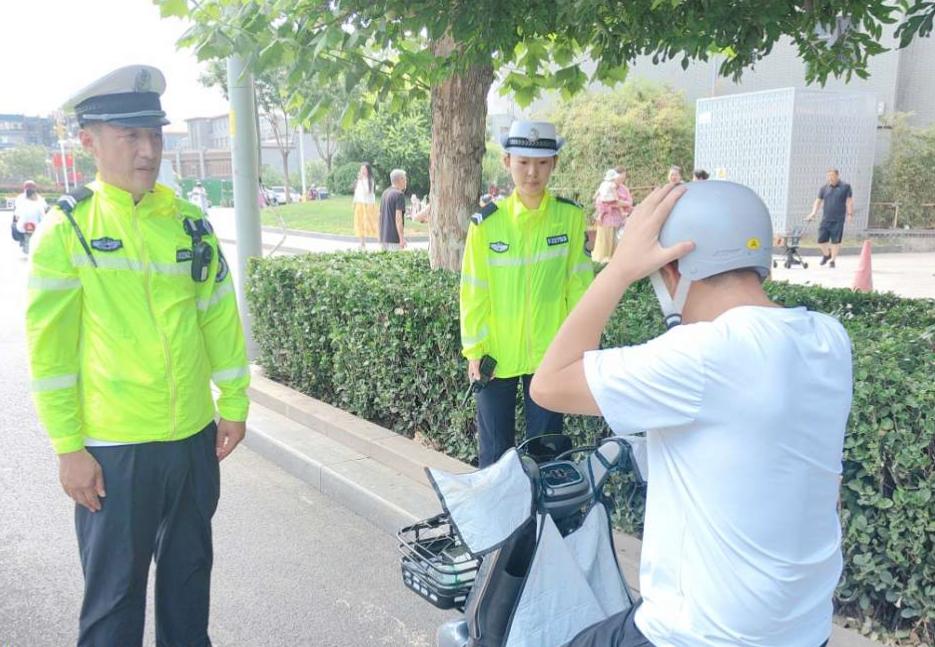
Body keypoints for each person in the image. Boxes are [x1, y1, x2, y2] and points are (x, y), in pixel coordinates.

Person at [531, 181, 852, 647]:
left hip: (695, 635)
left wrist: (619, 270)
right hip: (803, 630)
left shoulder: (703, 354)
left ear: (673, 270)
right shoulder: (828, 339)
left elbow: (549, 383)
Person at [25, 65, 250, 647]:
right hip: (115, 449)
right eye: (130, 135)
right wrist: (69, 447)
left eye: (153, 133)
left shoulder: (190, 224)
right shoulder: (66, 230)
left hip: (192, 441)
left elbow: (218, 316)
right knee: (113, 601)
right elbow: (51, 355)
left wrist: (234, 403)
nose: (147, 149)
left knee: (188, 585)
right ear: (89, 141)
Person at [460, 120, 594, 467]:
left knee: (549, 451)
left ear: (554, 164)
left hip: (550, 354)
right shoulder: (487, 224)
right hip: (496, 356)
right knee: (494, 454)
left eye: (542, 162)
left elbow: (578, 287)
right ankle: (499, 521)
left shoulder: (569, 217)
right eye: (523, 162)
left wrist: (578, 348)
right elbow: (474, 291)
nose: (532, 172)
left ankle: (548, 520)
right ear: (507, 162)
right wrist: (475, 351)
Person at [807, 168, 854, 268]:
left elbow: (849, 201)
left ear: (837, 175)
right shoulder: (824, 188)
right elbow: (818, 201)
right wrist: (813, 213)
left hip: (838, 219)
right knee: (821, 240)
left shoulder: (845, 187)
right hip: (826, 218)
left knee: (835, 241)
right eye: (828, 176)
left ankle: (833, 260)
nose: (830, 178)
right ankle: (827, 254)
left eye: (832, 176)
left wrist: (849, 214)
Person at [592, 169, 628, 263]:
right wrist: (621, 202)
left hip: (607, 206)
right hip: (608, 203)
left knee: (614, 236)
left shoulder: (603, 184)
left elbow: (596, 195)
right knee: (607, 237)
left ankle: (610, 255)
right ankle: (606, 256)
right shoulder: (612, 185)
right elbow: (615, 199)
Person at [13, 180, 48, 254]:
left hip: (22, 227)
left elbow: (16, 215)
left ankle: (22, 240)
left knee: (14, 225)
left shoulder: (21, 199)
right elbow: (44, 214)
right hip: (37, 226)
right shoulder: (39, 200)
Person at [379, 168, 408, 250]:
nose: (406, 182)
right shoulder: (399, 195)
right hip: (394, 238)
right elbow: (398, 218)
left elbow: (380, 215)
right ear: (400, 179)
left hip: (384, 237)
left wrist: (379, 235)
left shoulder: (384, 193)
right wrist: (401, 239)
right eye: (405, 179)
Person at [353, 163, 377, 249]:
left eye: (364, 169)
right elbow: (357, 192)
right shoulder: (360, 180)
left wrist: (362, 181)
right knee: (360, 223)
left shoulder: (370, 180)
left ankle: (380, 240)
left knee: (371, 223)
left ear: (368, 170)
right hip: (360, 204)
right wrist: (354, 202)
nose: (362, 171)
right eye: (361, 169)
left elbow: (367, 192)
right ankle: (362, 243)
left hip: (368, 204)